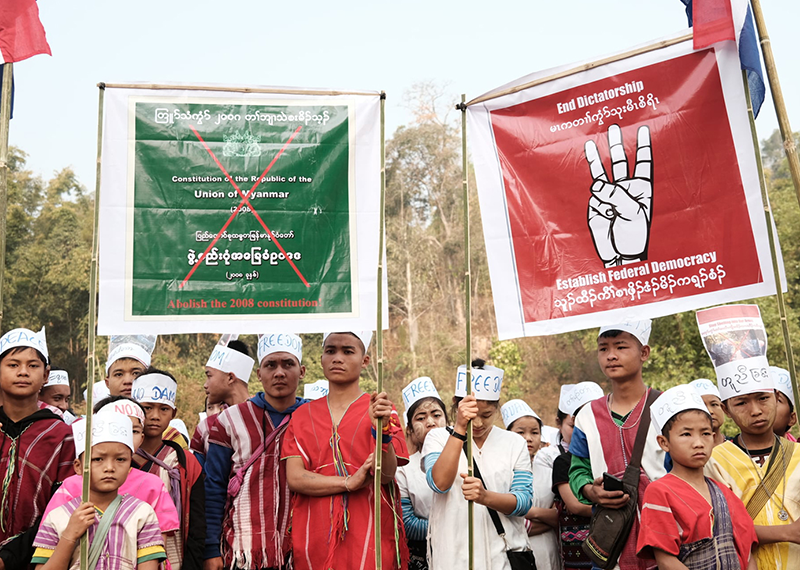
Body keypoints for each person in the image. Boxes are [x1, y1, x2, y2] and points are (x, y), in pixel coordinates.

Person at [283, 331, 409, 570]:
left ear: (365, 360)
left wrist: (380, 432)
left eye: (347, 351)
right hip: (314, 535)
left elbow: (386, 475)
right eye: (330, 351)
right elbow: (295, 478)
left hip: (369, 534)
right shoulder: (301, 416)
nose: (337, 358)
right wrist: (348, 483)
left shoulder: (382, 408)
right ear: (321, 358)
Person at [204, 332, 307, 570]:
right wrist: (211, 548)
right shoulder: (229, 420)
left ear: (301, 371)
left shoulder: (315, 417)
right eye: (270, 365)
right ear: (259, 374)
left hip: (303, 549)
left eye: (288, 364)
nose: (279, 372)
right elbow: (214, 487)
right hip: (243, 552)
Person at [569, 320, 666, 570]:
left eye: (621, 347)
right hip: (610, 543)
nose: (611, 356)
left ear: (644, 352)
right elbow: (578, 471)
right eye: (603, 349)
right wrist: (591, 492)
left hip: (665, 538)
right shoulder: (586, 416)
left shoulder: (667, 408)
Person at [423, 360, 533, 570]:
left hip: (503, 557)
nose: (480, 424)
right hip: (453, 558)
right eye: (473, 416)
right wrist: (460, 427)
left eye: (487, 415)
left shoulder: (514, 443)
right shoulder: (437, 438)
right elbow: (439, 484)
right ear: (457, 405)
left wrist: (485, 497)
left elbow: (523, 501)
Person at [637, 384, 758, 570]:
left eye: (706, 434)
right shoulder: (659, 492)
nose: (698, 443)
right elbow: (666, 560)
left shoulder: (724, 492)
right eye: (686, 434)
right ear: (664, 442)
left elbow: (748, 551)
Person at [32, 411, 167, 570]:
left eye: (120, 459)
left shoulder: (142, 514)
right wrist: (69, 536)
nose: (109, 468)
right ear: (78, 466)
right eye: (98, 459)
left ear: (130, 463)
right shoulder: (57, 518)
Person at [705, 364, 800, 570]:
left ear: (775, 396)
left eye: (763, 398)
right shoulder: (715, 461)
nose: (756, 410)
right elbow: (720, 529)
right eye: (741, 403)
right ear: (726, 409)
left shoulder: (798, 455)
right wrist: (788, 532)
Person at [43, 396, 181, 537]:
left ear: (142, 437)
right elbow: (50, 536)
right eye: (98, 459)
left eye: (133, 431)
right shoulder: (71, 487)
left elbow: (158, 544)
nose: (109, 468)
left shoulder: (153, 485)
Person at [0, 327, 75, 570]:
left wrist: (9, 556)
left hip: (39, 558)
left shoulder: (61, 436)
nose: (23, 372)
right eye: (12, 365)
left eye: (33, 365)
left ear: (45, 376)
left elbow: (63, 506)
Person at [132, 368, 205, 570]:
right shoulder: (120, 459)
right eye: (147, 408)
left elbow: (197, 523)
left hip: (173, 558)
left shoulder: (184, 464)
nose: (155, 416)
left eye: (163, 409)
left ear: (173, 413)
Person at [551, 382, 604, 570]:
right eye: (577, 426)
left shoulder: (607, 455)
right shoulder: (564, 462)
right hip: (578, 550)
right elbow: (575, 505)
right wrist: (614, 507)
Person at [396, 376, 448, 570]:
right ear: (409, 429)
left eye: (436, 415)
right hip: (425, 558)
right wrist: (453, 524)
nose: (430, 422)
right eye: (421, 418)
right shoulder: (403, 470)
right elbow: (408, 524)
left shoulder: (467, 458)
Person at [502, 399, 558, 570]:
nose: (528, 438)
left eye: (534, 432)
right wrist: (546, 518)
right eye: (520, 432)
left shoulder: (550, 473)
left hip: (549, 548)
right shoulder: (501, 474)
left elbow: (560, 517)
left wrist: (526, 512)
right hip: (514, 552)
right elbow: (507, 524)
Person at [191, 339, 254, 467]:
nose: (205, 385)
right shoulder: (206, 428)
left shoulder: (264, 418)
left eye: (209, 376)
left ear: (230, 378)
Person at [689, 378, 727, 446]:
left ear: (723, 408)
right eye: (702, 406)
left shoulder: (738, 447)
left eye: (714, 404)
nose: (710, 411)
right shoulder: (682, 451)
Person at [770, 366, 797, 441]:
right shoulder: (734, 451)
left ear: (792, 418)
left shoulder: (797, 451)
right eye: (762, 399)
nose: (767, 406)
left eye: (778, 400)